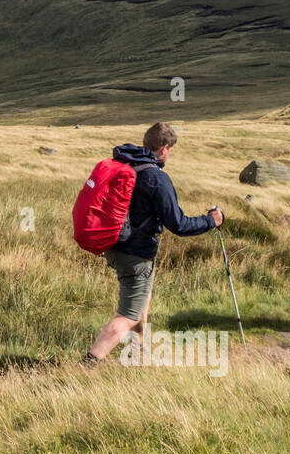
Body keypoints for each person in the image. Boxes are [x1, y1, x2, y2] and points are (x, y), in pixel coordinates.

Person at [84, 123, 222, 362]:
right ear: (165, 148)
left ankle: (138, 354)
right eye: (170, 149)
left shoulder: (125, 165)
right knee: (127, 316)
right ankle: (89, 363)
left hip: (115, 247)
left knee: (141, 306)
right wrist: (211, 221)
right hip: (136, 254)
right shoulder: (157, 178)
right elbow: (178, 225)